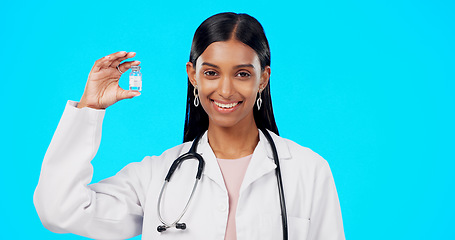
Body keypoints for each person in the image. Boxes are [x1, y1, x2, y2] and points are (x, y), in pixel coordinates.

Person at [34, 12, 345, 240]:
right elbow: (59, 210)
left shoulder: (308, 171)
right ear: (193, 76)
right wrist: (89, 108)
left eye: (242, 74)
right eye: (211, 73)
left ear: (263, 79)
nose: (225, 90)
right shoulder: (158, 175)